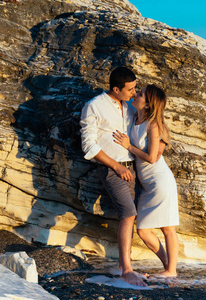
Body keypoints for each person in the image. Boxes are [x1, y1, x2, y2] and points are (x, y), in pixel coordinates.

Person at [80, 67, 164, 286]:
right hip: (112, 170)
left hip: (132, 170)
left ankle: (122, 266)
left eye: (136, 88)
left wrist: (162, 144)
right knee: (128, 214)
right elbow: (88, 145)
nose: (134, 93)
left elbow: (152, 122)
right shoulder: (94, 106)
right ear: (115, 89)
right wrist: (117, 167)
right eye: (130, 89)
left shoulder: (129, 107)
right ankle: (127, 270)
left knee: (129, 216)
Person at [113, 84, 179, 277]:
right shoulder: (134, 118)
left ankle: (171, 271)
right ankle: (168, 266)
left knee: (167, 228)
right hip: (148, 185)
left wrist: (129, 146)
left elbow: (151, 158)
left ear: (148, 104)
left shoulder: (153, 126)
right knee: (143, 230)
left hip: (160, 181)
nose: (136, 94)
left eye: (140, 94)